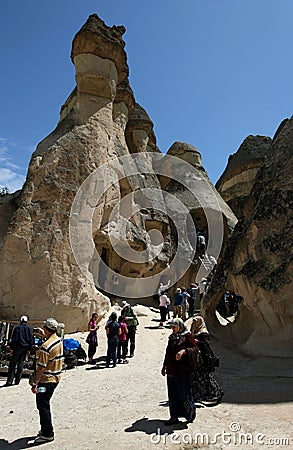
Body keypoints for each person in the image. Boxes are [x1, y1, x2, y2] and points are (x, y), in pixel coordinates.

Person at [31, 318, 63, 444]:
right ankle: (46, 429)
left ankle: (47, 433)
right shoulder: (58, 340)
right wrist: (44, 334)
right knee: (44, 404)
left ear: (46, 328)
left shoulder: (45, 347)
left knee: (42, 405)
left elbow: (41, 367)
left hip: (46, 381)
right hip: (55, 378)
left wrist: (35, 383)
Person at [161, 318, 198, 425]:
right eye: (172, 326)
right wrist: (164, 366)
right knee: (172, 394)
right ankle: (174, 417)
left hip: (183, 371)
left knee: (184, 393)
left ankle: (190, 414)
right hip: (171, 370)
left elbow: (195, 349)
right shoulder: (172, 337)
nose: (172, 328)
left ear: (180, 326)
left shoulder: (187, 336)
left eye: (174, 326)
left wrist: (184, 351)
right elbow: (168, 352)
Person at [190, 316, 223, 407]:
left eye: (196, 322)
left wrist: (197, 342)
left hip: (203, 358)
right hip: (196, 358)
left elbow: (206, 345)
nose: (194, 324)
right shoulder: (195, 331)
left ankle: (217, 393)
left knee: (206, 377)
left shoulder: (203, 332)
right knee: (198, 377)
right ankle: (200, 395)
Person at [4, 315, 33, 386]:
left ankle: (9, 381)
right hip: (25, 348)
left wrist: (11, 348)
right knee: (21, 363)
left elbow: (14, 339)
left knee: (12, 364)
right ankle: (17, 381)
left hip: (17, 348)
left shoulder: (17, 328)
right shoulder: (29, 329)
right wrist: (29, 349)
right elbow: (30, 340)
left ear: (20, 321)